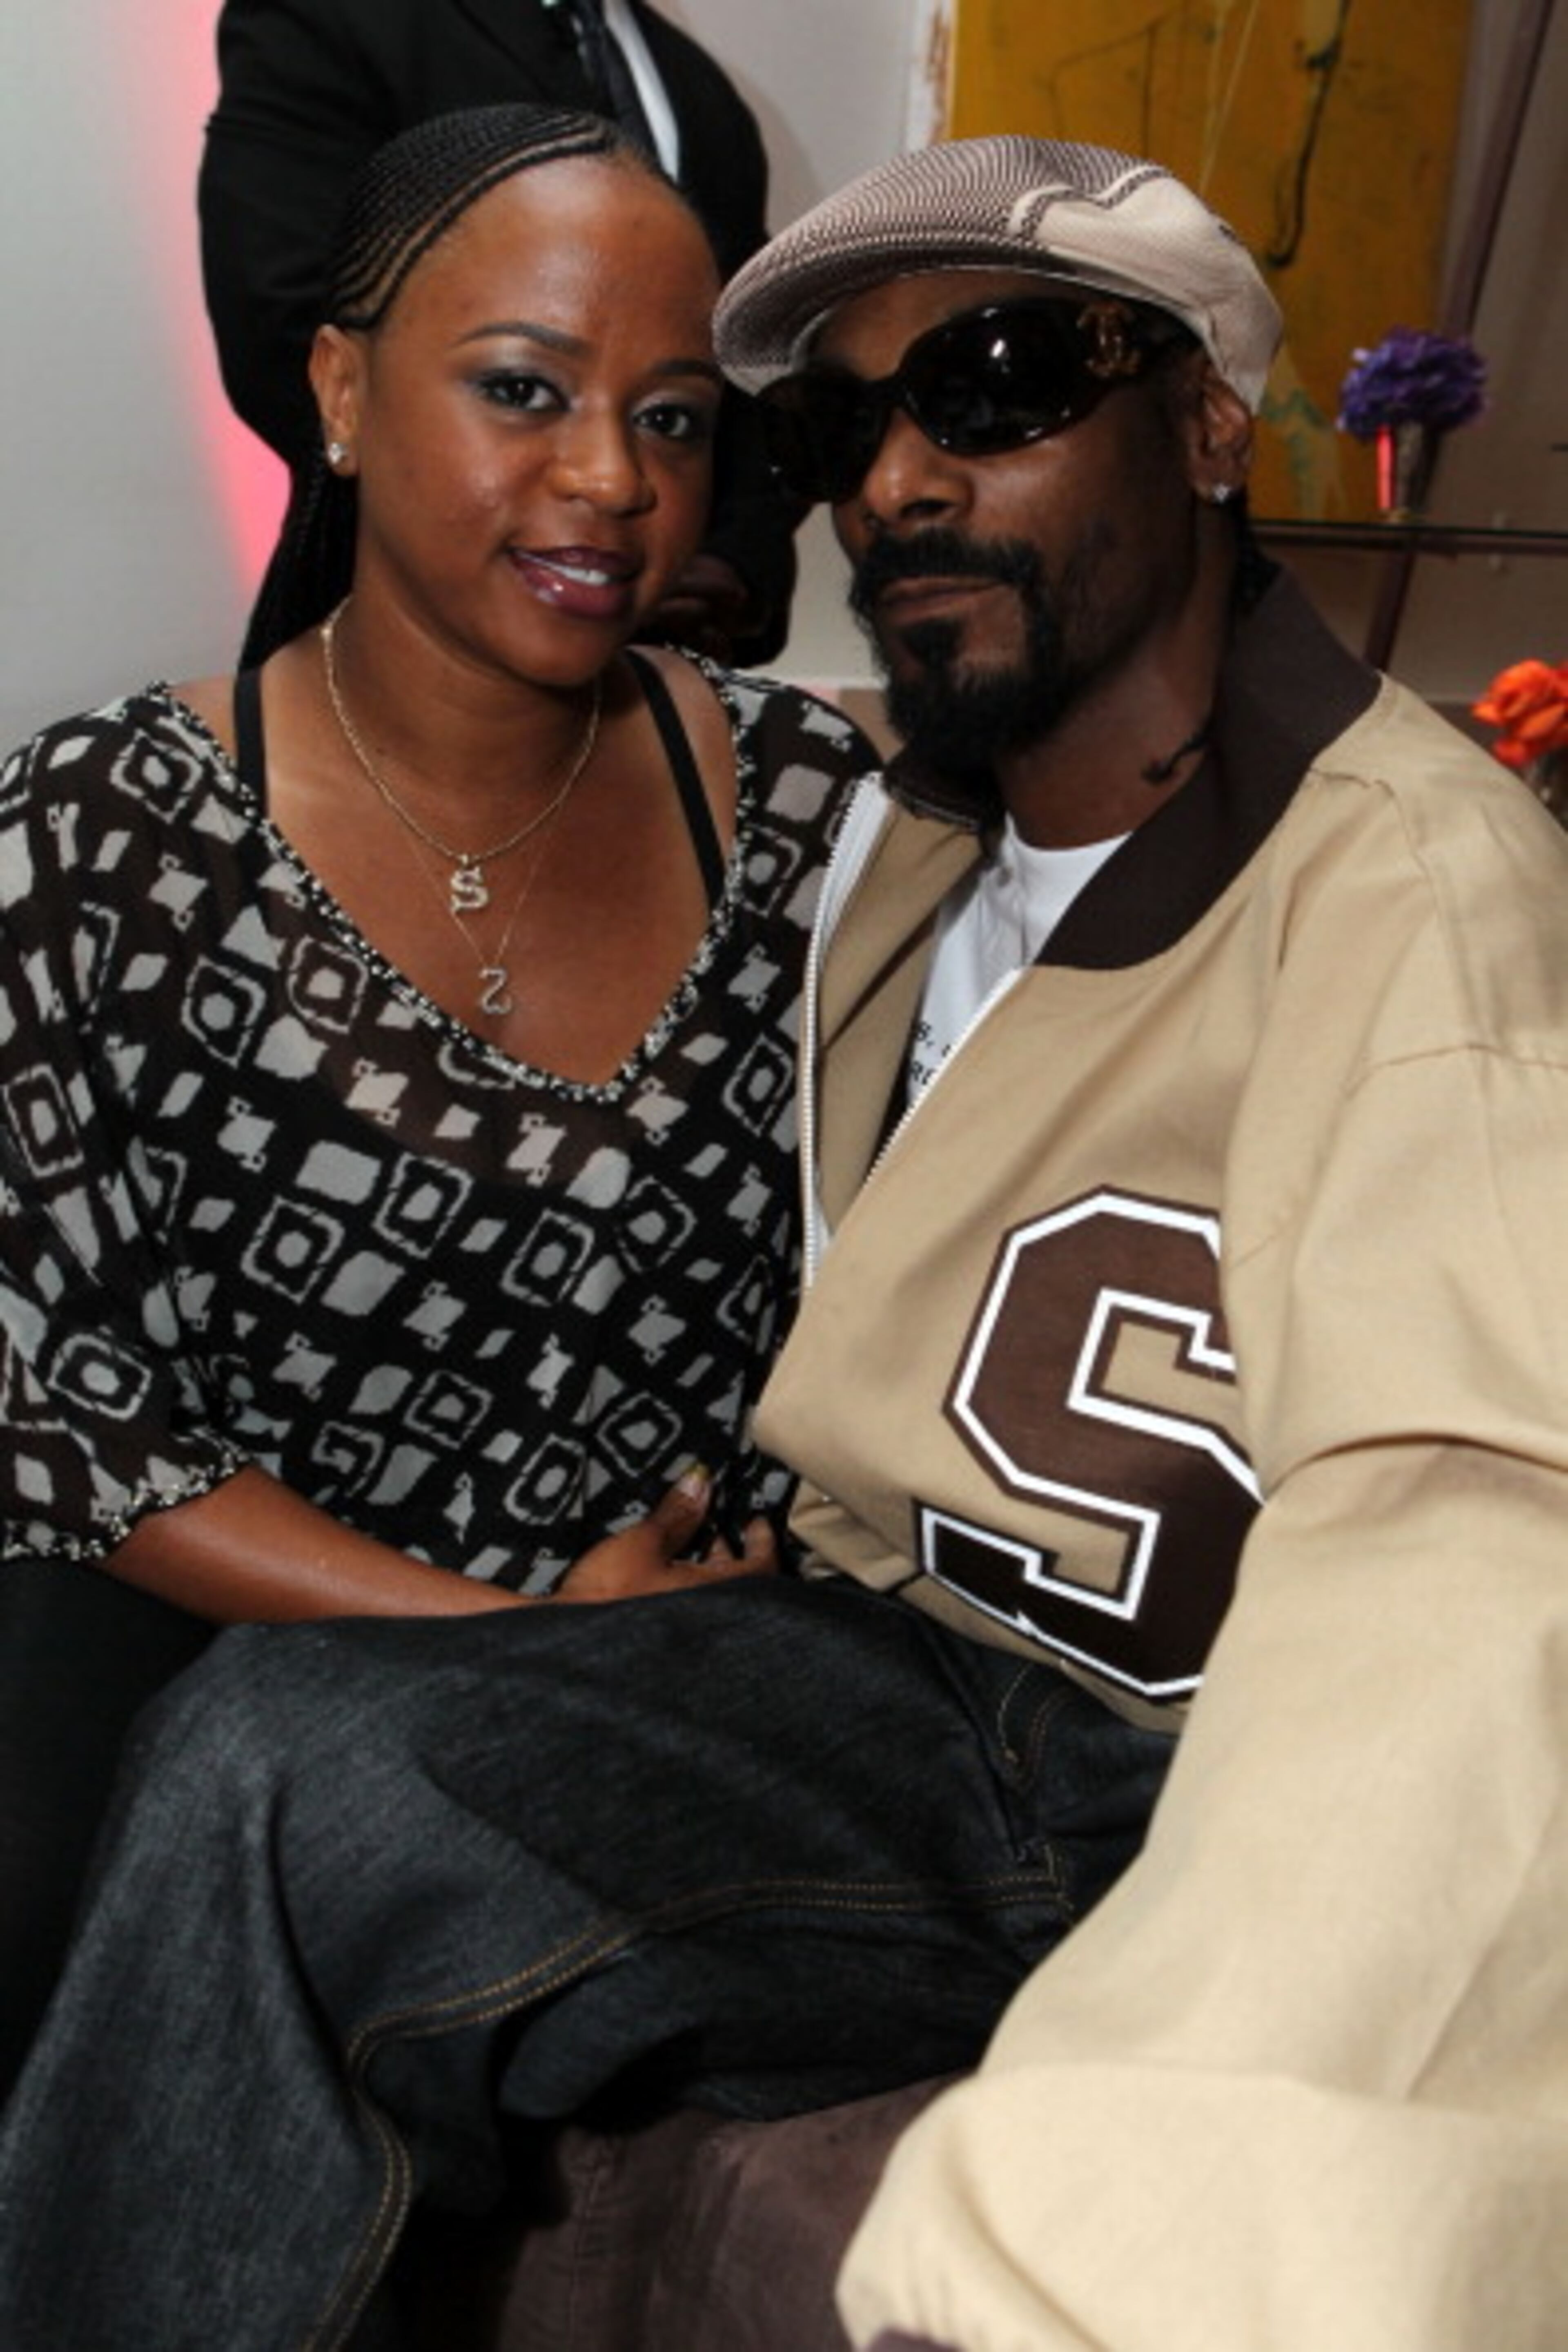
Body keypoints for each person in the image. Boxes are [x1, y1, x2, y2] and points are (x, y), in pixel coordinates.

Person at [3, 131, 1566, 2352]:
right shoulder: (904, 841)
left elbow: (1474, 1540)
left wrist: (1195, 2133)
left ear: (1214, 423)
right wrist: (527, 1637)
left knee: (294, 1784)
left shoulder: (1372, 886)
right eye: (839, 426)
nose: (904, 478)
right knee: (251, 1763)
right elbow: (60, 1405)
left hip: (1099, 1742)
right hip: (818, 1671)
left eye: (1006, 378)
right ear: (341, 393)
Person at [199, 0, 800, 664]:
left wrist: (730, 560)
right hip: (396, 670)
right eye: (518, 389)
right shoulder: (332, 17)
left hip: (662, 674)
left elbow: (750, 364)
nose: (609, 479)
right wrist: (532, 552)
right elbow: (278, 321)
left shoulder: (699, 89)